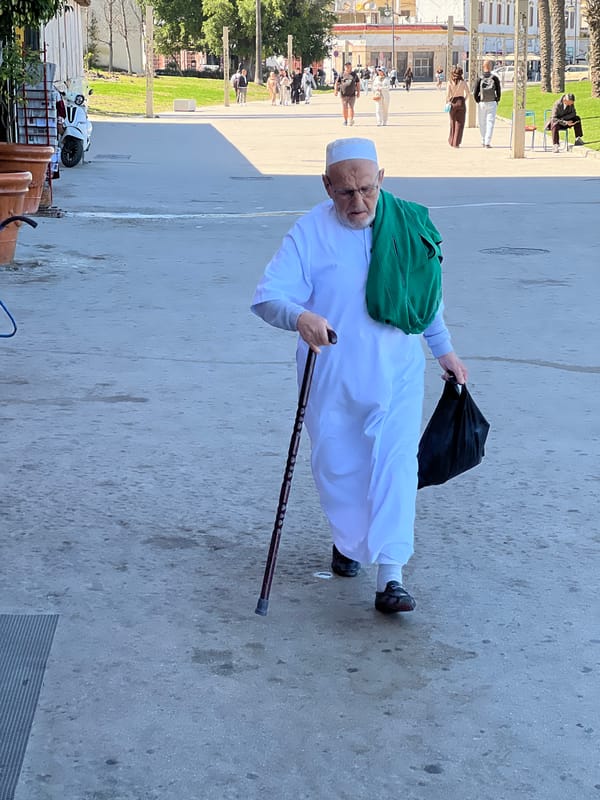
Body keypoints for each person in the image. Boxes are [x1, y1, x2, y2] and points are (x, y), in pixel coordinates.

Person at [251, 138, 468, 615]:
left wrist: (443, 349)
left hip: (398, 371)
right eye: (346, 192)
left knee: (395, 465)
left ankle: (391, 575)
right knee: (340, 467)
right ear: (327, 185)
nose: (358, 203)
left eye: (367, 190)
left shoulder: (408, 222)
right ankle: (348, 542)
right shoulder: (309, 233)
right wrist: (299, 317)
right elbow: (269, 296)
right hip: (334, 373)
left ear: (381, 180)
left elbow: (425, 294)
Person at [473, 59, 501, 147]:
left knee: (482, 122)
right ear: (491, 67)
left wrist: (478, 100)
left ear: (483, 66)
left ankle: (483, 139)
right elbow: (498, 90)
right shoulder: (495, 78)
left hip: (482, 102)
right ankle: (487, 142)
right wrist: (497, 99)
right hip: (492, 102)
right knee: (490, 122)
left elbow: (475, 91)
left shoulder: (480, 78)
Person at [445, 65, 471, 148]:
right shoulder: (463, 82)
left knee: (452, 122)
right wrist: (464, 100)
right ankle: (456, 143)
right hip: (461, 102)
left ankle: (451, 141)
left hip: (452, 103)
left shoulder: (449, 82)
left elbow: (447, 95)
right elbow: (468, 93)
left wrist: (448, 102)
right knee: (459, 123)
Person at [334, 62, 360, 126]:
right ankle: (345, 120)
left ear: (351, 67)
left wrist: (358, 92)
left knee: (351, 107)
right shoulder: (341, 74)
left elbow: (358, 83)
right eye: (346, 66)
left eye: (348, 66)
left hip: (352, 94)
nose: (347, 68)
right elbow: (337, 83)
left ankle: (350, 120)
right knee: (344, 107)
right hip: (343, 94)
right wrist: (336, 90)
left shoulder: (354, 74)